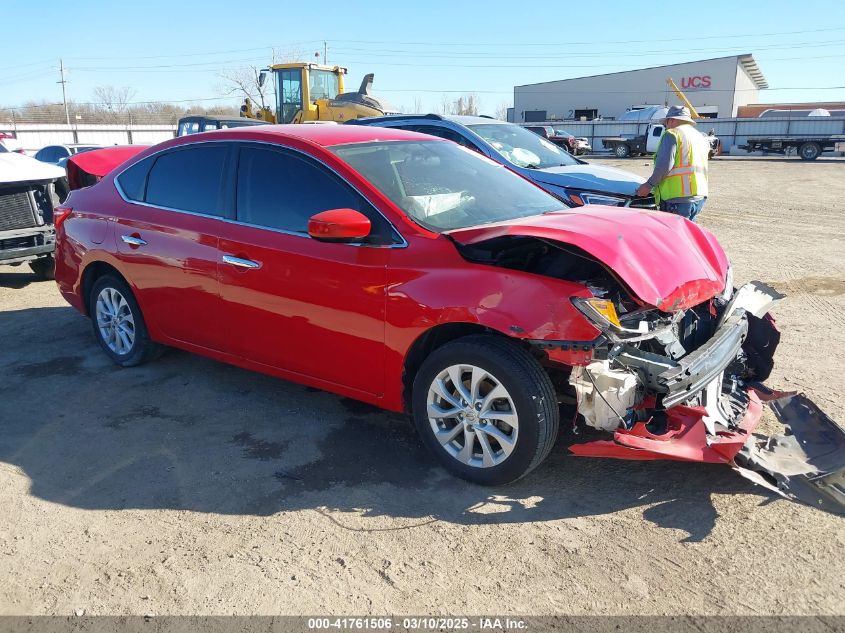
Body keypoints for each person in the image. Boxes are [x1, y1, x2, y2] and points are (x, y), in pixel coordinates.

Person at [636, 105, 710, 221]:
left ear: (672, 120)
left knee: (674, 235)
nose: (666, 126)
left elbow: (664, 166)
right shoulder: (699, 137)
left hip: (678, 198)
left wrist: (648, 185)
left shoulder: (672, 134)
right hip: (699, 195)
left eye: (666, 122)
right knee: (686, 234)